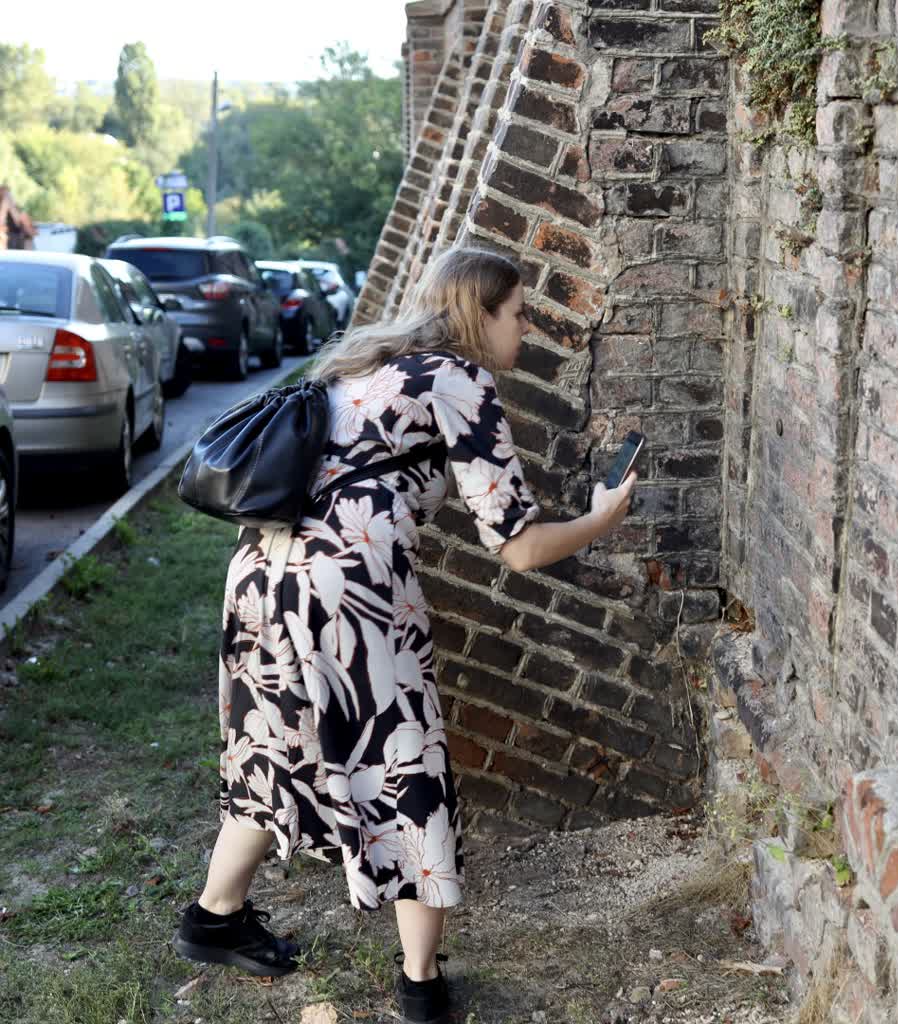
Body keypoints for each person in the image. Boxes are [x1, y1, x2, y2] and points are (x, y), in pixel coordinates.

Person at [171, 247, 638, 1023]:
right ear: (477, 313)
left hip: (260, 570)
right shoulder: (457, 379)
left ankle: (213, 918)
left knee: (272, 745)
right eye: (517, 314)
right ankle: (420, 984)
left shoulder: (365, 364)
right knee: (402, 760)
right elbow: (519, 546)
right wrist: (600, 518)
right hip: (347, 587)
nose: (525, 329)